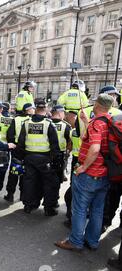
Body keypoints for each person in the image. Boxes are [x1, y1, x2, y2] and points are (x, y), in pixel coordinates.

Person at [55, 94, 114, 251]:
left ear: (97, 104)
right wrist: (86, 121)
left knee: (80, 209)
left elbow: (95, 148)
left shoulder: (96, 124)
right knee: (97, 209)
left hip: (90, 174)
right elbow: (88, 137)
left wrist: (84, 167)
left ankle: (75, 241)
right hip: (104, 173)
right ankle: (92, 241)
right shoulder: (109, 121)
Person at [15, 98, 62, 216]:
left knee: (29, 182)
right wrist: (57, 161)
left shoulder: (26, 123)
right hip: (44, 158)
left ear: (35, 109)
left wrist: (19, 158)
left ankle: (28, 205)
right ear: (45, 109)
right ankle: (48, 208)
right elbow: (54, 145)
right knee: (48, 183)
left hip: (29, 157)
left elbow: (21, 143)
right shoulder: (48, 124)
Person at [4, 102, 35, 202]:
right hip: (29, 149)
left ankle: (10, 194)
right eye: (32, 109)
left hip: (17, 149)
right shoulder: (32, 120)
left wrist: (13, 145)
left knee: (14, 172)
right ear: (28, 110)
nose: (34, 110)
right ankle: (23, 195)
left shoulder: (16, 119)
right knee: (26, 173)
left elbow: (10, 134)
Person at [50, 105, 71, 207]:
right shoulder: (65, 126)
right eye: (63, 113)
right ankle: (53, 201)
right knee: (56, 180)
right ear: (59, 113)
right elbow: (69, 141)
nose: (65, 115)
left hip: (45, 154)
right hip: (59, 156)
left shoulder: (46, 123)